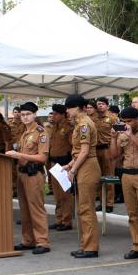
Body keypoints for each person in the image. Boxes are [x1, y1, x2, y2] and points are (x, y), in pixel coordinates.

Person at [6, 102, 51, 254]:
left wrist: (19, 155)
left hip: (33, 174)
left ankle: (42, 242)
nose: (25, 117)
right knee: (24, 209)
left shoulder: (41, 132)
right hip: (22, 173)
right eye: (22, 114)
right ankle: (28, 240)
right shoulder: (23, 132)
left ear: (35, 114)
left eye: (28, 114)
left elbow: (42, 158)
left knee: (36, 209)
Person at [110, 107, 138, 260]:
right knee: (132, 214)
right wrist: (114, 138)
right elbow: (114, 156)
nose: (126, 124)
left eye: (129, 121)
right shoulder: (121, 134)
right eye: (124, 121)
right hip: (127, 174)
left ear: (137, 120)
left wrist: (131, 135)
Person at [63, 94, 101, 258]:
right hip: (83, 164)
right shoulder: (80, 123)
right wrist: (70, 165)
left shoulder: (84, 124)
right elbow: (79, 152)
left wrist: (72, 171)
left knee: (86, 208)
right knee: (82, 208)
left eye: (68, 108)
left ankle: (91, 247)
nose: (67, 111)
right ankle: (85, 244)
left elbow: (85, 151)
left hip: (88, 166)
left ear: (75, 107)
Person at [47, 104, 74, 231]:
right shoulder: (53, 128)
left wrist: (70, 164)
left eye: (56, 114)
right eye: (53, 113)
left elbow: (73, 147)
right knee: (57, 195)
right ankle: (59, 219)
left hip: (64, 163)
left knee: (65, 194)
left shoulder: (68, 128)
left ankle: (67, 221)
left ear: (63, 114)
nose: (54, 116)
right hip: (54, 163)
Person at [94, 96, 117, 213]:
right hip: (96, 149)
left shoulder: (112, 118)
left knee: (109, 176)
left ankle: (109, 203)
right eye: (98, 104)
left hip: (107, 149)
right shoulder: (94, 118)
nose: (100, 106)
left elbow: (117, 134)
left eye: (102, 104)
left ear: (107, 105)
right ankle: (101, 202)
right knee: (99, 176)